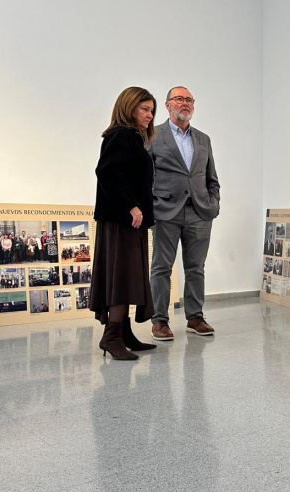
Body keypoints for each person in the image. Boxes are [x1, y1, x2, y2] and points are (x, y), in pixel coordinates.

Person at [90, 86, 160, 360]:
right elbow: (107, 173)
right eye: (145, 109)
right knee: (122, 278)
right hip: (123, 221)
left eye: (152, 111)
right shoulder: (121, 135)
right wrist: (132, 206)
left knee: (129, 277)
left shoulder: (133, 138)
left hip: (130, 221)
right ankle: (111, 337)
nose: (150, 115)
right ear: (129, 107)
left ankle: (123, 333)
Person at [148, 86, 220, 340]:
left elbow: (211, 177)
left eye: (189, 100)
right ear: (168, 105)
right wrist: (150, 207)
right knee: (161, 268)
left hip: (199, 212)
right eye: (179, 99)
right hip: (165, 212)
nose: (185, 103)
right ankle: (159, 320)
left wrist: (213, 204)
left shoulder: (203, 139)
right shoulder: (153, 135)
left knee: (196, 268)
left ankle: (195, 318)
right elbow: (144, 177)